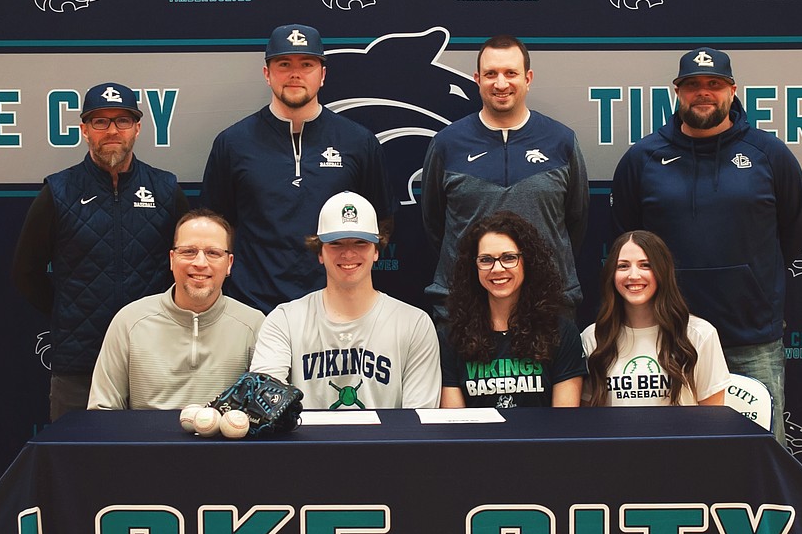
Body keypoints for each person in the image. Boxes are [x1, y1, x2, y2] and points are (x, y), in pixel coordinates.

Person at [610, 47, 802, 442]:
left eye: (714, 84)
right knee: (671, 458)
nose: (704, 92)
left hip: (750, 336)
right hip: (669, 337)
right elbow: (630, 240)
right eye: (693, 85)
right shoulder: (643, 158)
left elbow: (793, 233)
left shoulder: (769, 154)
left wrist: (748, 279)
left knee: (763, 456)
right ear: (677, 92)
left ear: (732, 91)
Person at [12, 82, 189, 421]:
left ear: (137, 128)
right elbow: (26, 271)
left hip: (153, 360)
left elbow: (188, 262)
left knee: (155, 466)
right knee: (79, 467)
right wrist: (69, 310)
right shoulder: (58, 191)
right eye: (100, 122)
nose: (112, 131)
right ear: (84, 130)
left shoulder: (165, 189)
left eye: (122, 121)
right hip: (80, 366)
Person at [201, 23, 393, 314]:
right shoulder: (233, 143)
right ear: (267, 74)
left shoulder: (358, 141)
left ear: (323, 75)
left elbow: (381, 221)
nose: (295, 73)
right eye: (283, 64)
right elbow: (215, 226)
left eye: (307, 64)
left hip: (334, 307)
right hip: (253, 306)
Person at [421, 34, 589, 322]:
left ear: (528, 77)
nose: (501, 84)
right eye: (491, 74)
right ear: (477, 78)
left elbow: (576, 222)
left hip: (547, 308)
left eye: (511, 73)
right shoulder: (448, 143)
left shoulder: (561, 141)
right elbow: (435, 223)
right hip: (465, 310)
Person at [250, 192, 440, 409]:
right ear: (319, 252)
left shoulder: (414, 323)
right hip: (307, 444)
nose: (349, 254)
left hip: (386, 443)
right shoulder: (284, 320)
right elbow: (266, 400)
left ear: (376, 250)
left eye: (360, 242)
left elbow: (416, 425)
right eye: (336, 243)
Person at [88, 209, 264, 410]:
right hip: (145, 441)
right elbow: (102, 411)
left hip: (223, 441)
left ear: (229, 264)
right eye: (188, 251)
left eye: (213, 253)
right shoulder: (129, 321)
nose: (200, 263)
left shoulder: (254, 324)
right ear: (172, 259)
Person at [440, 211, 585, 408]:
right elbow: (456, 426)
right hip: (477, 440)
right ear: (473, 267)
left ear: (528, 262)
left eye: (509, 258)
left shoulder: (561, 332)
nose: (497, 269)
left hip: (542, 439)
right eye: (486, 260)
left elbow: (565, 422)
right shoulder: (452, 336)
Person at [582, 231, 729, 407]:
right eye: (623, 266)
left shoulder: (699, 334)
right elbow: (588, 420)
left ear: (662, 271)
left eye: (645, 265)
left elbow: (714, 422)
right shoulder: (593, 337)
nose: (633, 275)